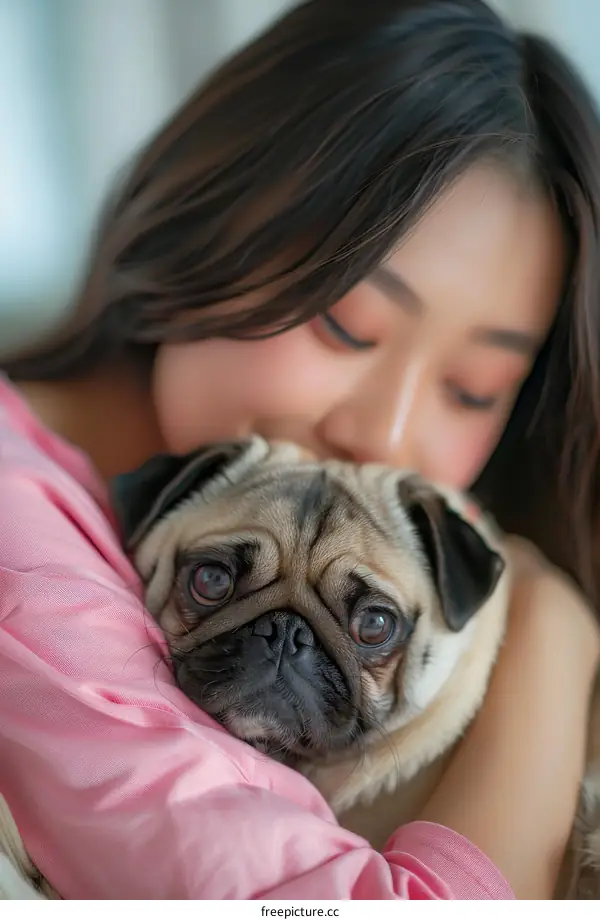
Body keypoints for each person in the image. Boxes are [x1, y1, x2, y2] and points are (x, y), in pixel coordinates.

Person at [1, 0, 599, 900]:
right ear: (211, 208)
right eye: (345, 325)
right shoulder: (25, 557)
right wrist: (553, 639)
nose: (387, 433)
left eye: (473, 388)